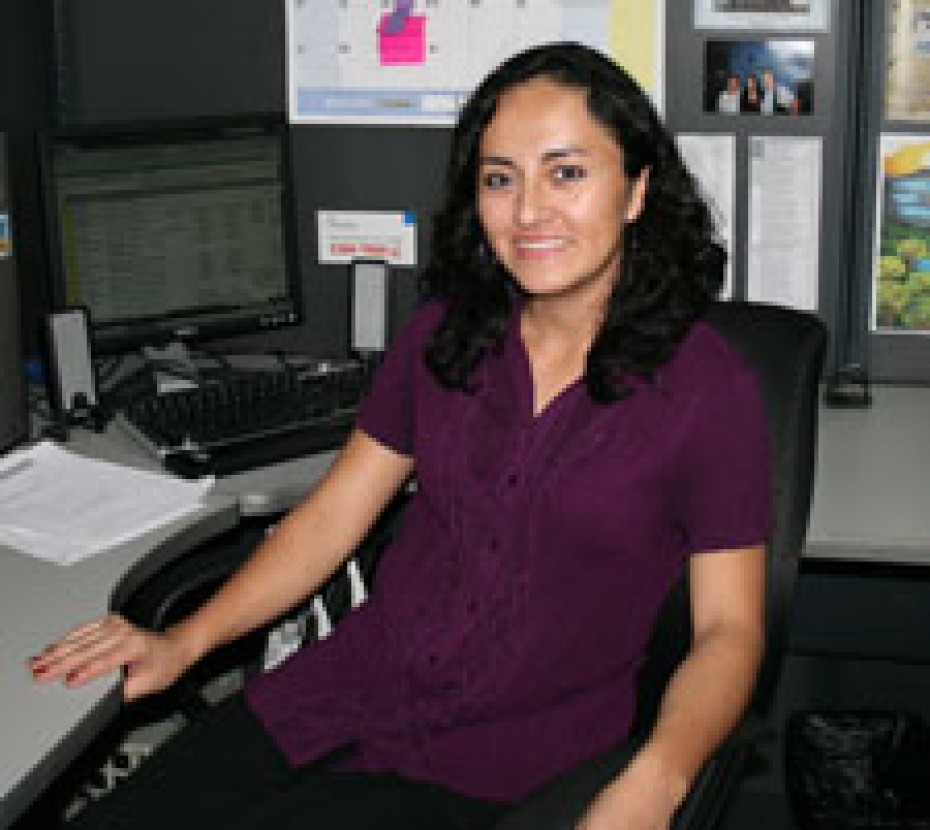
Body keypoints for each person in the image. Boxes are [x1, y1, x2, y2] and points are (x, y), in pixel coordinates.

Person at [29, 42, 769, 830]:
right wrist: (185, 643)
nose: (528, 212)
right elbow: (332, 517)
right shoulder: (444, 336)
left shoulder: (708, 392)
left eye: (567, 173)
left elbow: (731, 630)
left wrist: (658, 779)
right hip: (338, 693)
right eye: (499, 178)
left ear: (636, 190)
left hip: (501, 766)